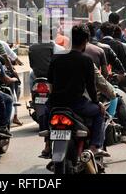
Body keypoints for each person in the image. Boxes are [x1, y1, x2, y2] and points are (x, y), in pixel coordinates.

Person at [47, 24, 109, 157]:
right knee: (100, 113)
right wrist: (97, 103)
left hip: (55, 104)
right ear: (86, 41)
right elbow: (91, 87)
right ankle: (94, 146)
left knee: (45, 117)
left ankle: (47, 145)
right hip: (77, 104)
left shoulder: (56, 58)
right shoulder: (86, 60)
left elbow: (50, 85)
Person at [100, 22, 126, 116]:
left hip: (100, 77)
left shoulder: (98, 44)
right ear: (113, 32)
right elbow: (124, 65)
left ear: (101, 33)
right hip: (114, 77)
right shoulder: (119, 44)